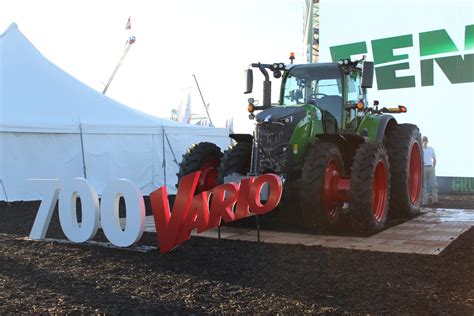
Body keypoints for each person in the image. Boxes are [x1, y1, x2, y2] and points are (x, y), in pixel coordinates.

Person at [422, 136, 438, 205]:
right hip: (423, 168)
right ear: (421, 141)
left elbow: (434, 158)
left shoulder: (431, 149)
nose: (425, 141)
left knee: (434, 184)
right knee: (423, 185)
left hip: (430, 167)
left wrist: (433, 167)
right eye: (423, 140)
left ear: (427, 141)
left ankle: (435, 200)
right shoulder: (420, 149)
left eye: (426, 140)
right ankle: (424, 202)